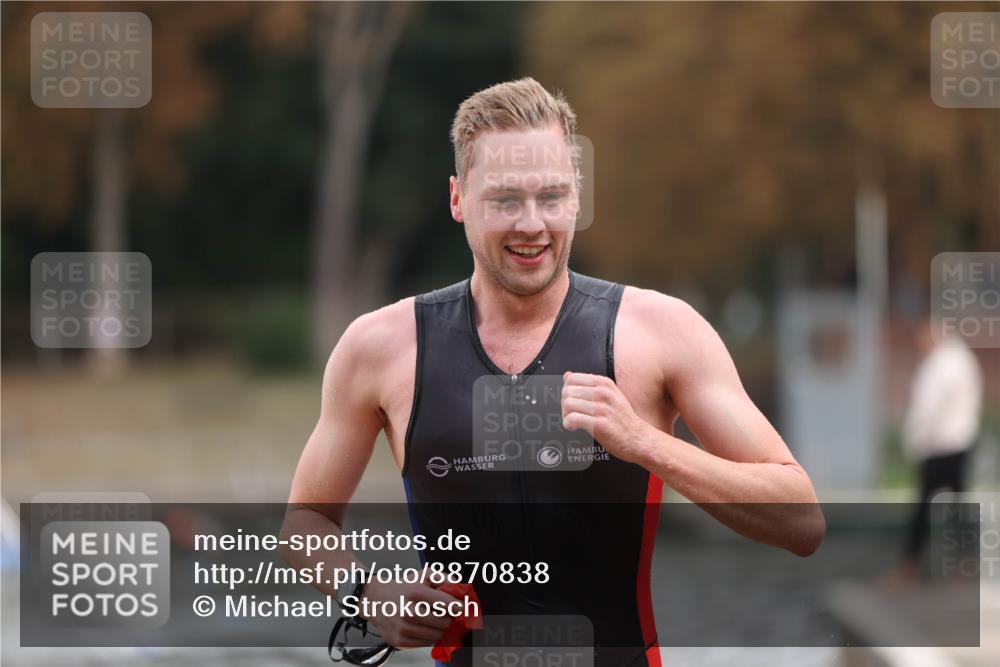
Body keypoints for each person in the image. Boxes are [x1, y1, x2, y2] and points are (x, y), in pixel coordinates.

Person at [281, 78, 824, 666]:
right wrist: (368, 594)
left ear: (577, 200)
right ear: (459, 199)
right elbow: (305, 521)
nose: (532, 225)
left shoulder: (662, 332)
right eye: (506, 200)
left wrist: (645, 444)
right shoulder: (379, 348)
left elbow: (802, 521)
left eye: (552, 197)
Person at [898, 318, 983, 575]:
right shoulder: (964, 360)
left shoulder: (940, 364)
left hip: (939, 446)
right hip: (962, 442)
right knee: (958, 505)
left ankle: (911, 564)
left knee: (924, 507)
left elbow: (927, 408)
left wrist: (913, 441)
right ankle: (964, 562)